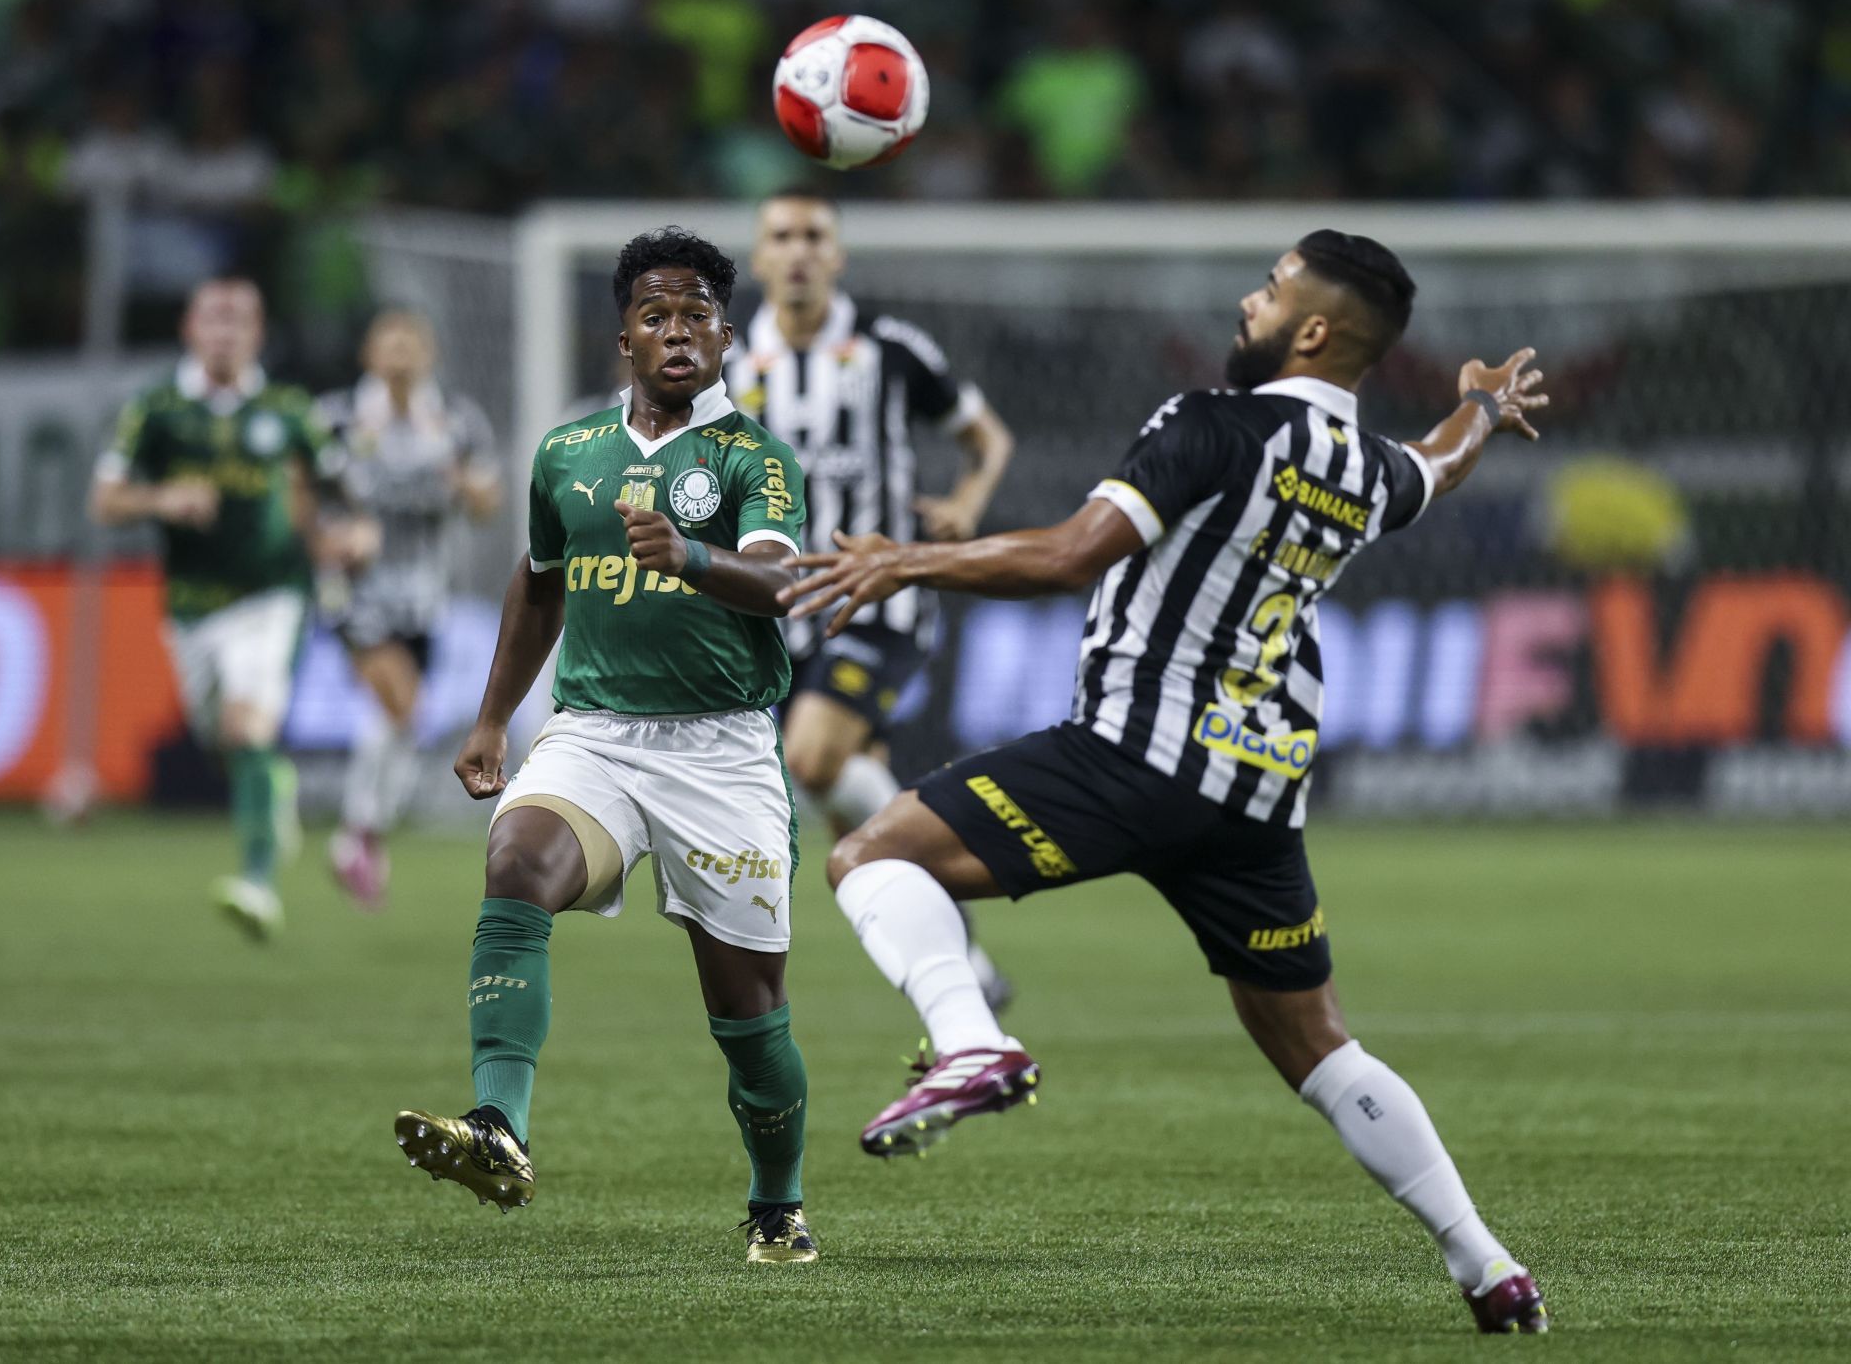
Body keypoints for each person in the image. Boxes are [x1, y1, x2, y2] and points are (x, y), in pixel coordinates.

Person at [781, 231, 1554, 1333]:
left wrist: (899, 559)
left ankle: (973, 1042)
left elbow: (1069, 555)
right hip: (1258, 796)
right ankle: (1489, 1266)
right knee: (1315, 1040)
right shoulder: (1364, 469)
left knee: (870, 854)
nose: (1250, 302)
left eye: (1271, 290)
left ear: (1315, 329)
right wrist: (1479, 407)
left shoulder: (1210, 426)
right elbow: (1436, 465)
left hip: (1135, 754)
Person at [394, 227, 819, 1266]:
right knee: (515, 861)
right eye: (656, 316)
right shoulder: (568, 454)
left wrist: (692, 555)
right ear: (624, 334)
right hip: (593, 734)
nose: (678, 334)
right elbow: (539, 580)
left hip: (721, 752)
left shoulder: (751, 457)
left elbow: (784, 582)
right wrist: (494, 716)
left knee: (748, 1010)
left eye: (698, 318)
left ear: (726, 336)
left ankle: (777, 1202)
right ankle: (499, 1126)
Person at [724, 187, 1019, 1009]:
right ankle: (969, 971)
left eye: (815, 235)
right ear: (759, 257)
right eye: (781, 236)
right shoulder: (728, 366)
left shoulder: (891, 350)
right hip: (778, 616)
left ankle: (957, 960)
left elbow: (987, 438)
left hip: (876, 600)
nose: (799, 251)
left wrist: (966, 505)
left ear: (838, 254)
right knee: (862, 822)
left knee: (810, 760)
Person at [90, 277, 336, 940]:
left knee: (245, 727)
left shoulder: (287, 409)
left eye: (239, 321)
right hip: (193, 606)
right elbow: (106, 500)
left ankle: (258, 881)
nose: (225, 332)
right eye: (213, 320)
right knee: (224, 741)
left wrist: (344, 534)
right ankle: (272, 790)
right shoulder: (157, 409)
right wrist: (161, 499)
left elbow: (334, 485)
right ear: (190, 331)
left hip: (272, 596)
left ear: (257, 334)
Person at [315, 309, 501, 907]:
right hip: (355, 591)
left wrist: (469, 487)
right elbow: (300, 496)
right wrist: (335, 536)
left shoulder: (455, 421)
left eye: (410, 342)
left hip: (423, 595)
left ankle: (361, 836)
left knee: (403, 718)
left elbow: (486, 501)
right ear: (369, 354)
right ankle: (360, 834)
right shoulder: (337, 419)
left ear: (430, 353)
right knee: (400, 698)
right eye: (388, 341)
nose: (399, 352)